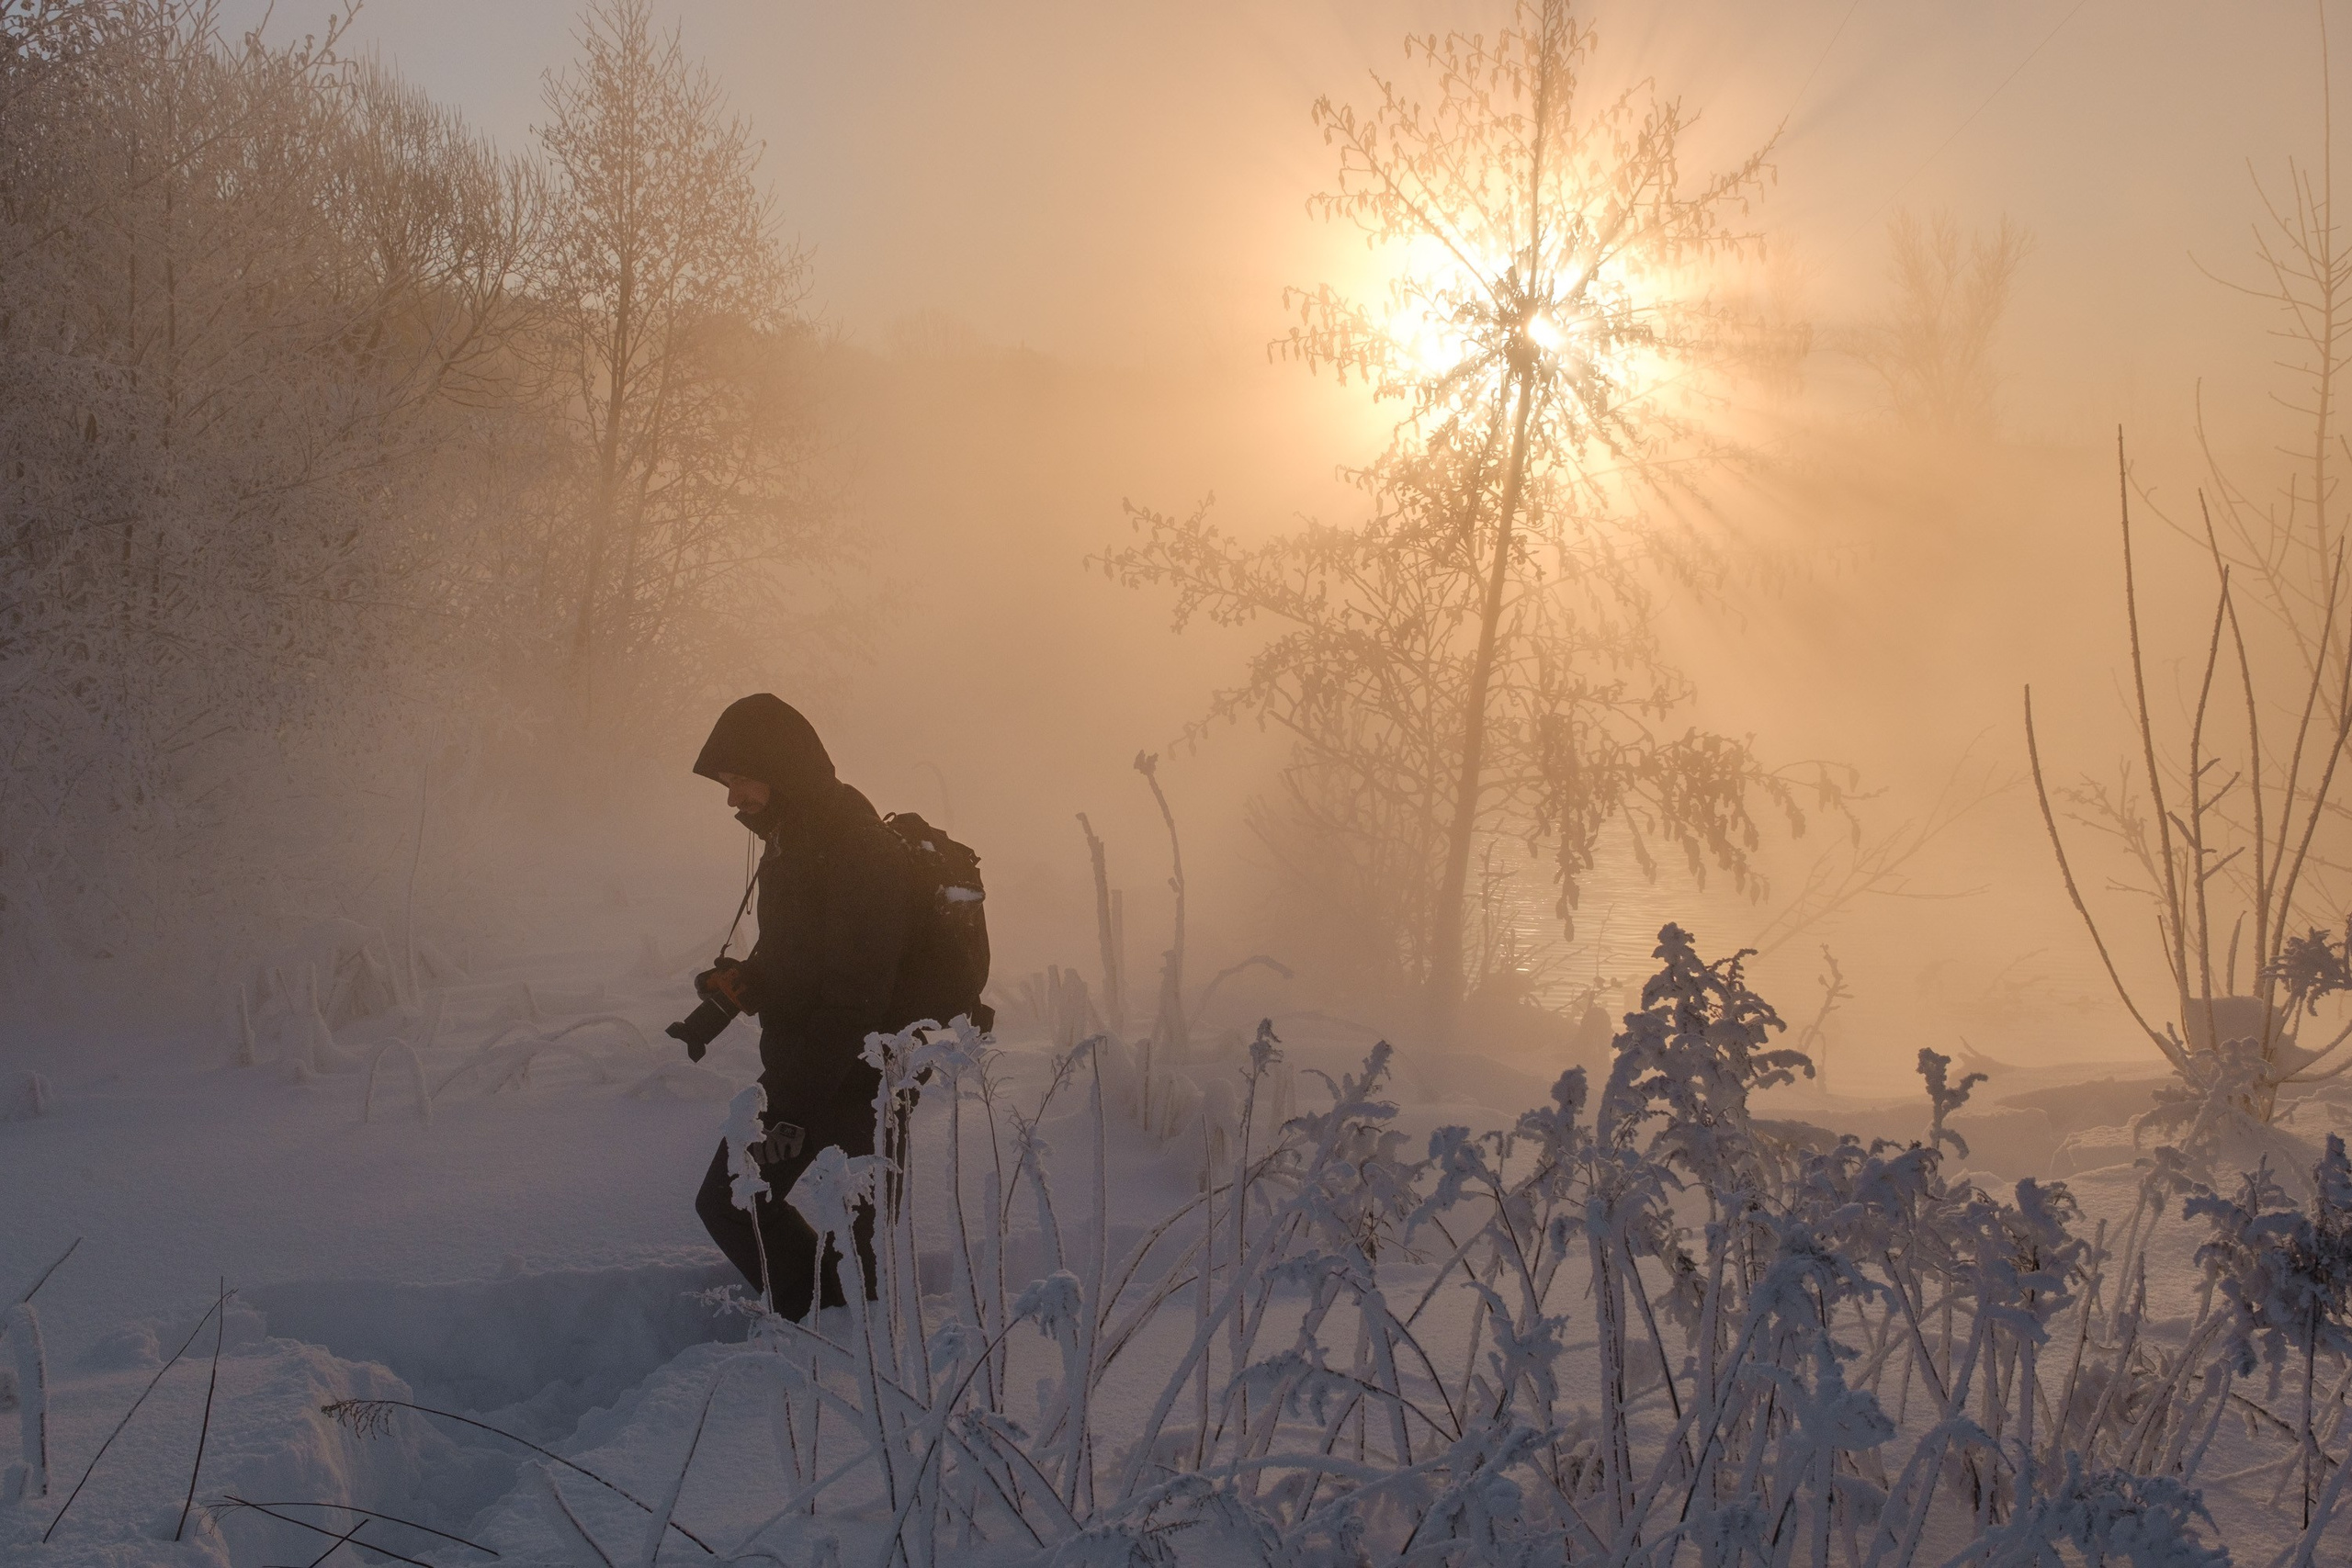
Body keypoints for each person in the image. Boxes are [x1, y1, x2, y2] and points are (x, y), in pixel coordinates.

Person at [685, 694, 915, 1317]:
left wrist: (792, 1107)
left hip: (862, 1083)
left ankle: (839, 1348)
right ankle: (815, 1319)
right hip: (809, 1074)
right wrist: (743, 984)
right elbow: (797, 955)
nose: (732, 798)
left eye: (739, 780)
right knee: (732, 1200)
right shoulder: (795, 838)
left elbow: (856, 996)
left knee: (851, 1253)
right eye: (727, 784)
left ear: (779, 767)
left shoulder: (857, 847)